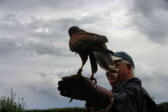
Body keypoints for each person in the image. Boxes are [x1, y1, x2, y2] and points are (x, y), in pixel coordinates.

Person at [58, 51, 158, 112]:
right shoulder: (118, 91)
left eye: (114, 66)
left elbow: (120, 102)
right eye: (106, 67)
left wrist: (95, 93)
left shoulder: (136, 91)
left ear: (128, 68)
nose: (108, 71)